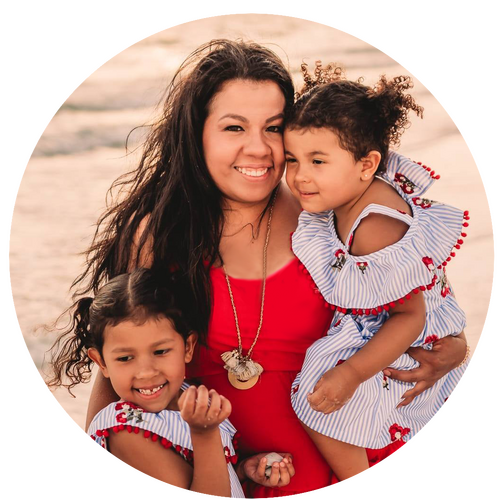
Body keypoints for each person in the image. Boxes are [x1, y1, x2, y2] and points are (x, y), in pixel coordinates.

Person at [75, 40, 469, 497]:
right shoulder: (160, 237)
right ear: (197, 133)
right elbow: (121, 363)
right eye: (234, 127)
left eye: (274, 128)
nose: (258, 148)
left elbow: (426, 306)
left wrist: (455, 349)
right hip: (233, 481)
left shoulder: (333, 213)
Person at [284, 62, 472, 483]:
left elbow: (410, 315)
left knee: (321, 398)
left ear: (367, 164)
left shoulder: (375, 226)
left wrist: (350, 374)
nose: (299, 176)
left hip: (408, 334)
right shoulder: (347, 190)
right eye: (292, 159)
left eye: (317, 161)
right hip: (396, 319)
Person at [46, 268, 250, 497]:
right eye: (125, 358)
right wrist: (204, 434)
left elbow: (210, 474)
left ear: (187, 347)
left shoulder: (190, 397)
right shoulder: (126, 432)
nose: (145, 372)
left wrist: (243, 471)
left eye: (160, 351)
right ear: (101, 362)